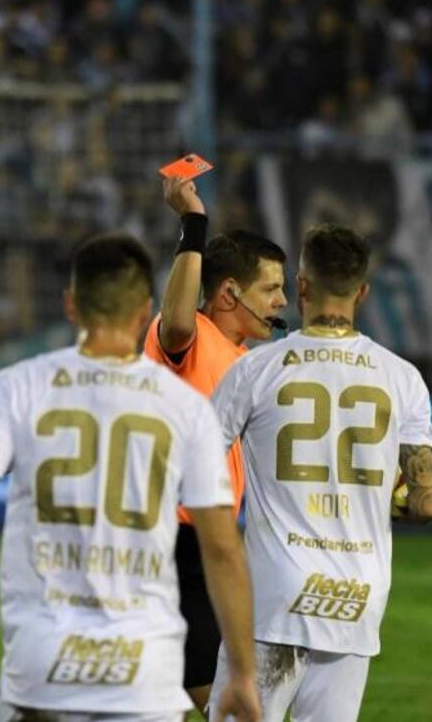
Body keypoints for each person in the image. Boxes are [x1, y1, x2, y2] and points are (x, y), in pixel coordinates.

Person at [0, 233, 261, 722]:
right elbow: (223, 548)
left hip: (43, 667)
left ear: (70, 305)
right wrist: (243, 673)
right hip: (142, 672)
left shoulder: (16, 387)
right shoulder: (187, 409)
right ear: (144, 312)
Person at [209, 225, 432, 721]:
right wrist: (393, 497)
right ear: (362, 291)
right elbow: (425, 504)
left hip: (275, 593)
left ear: (301, 285)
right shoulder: (403, 378)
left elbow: (195, 462)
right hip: (357, 595)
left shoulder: (257, 369)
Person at [143, 176, 286, 712]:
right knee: (213, 695)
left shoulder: (246, 360)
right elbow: (179, 319)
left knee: (179, 696)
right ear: (229, 293)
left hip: (207, 539)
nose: (282, 301)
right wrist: (194, 224)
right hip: (173, 539)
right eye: (271, 289)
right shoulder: (190, 336)